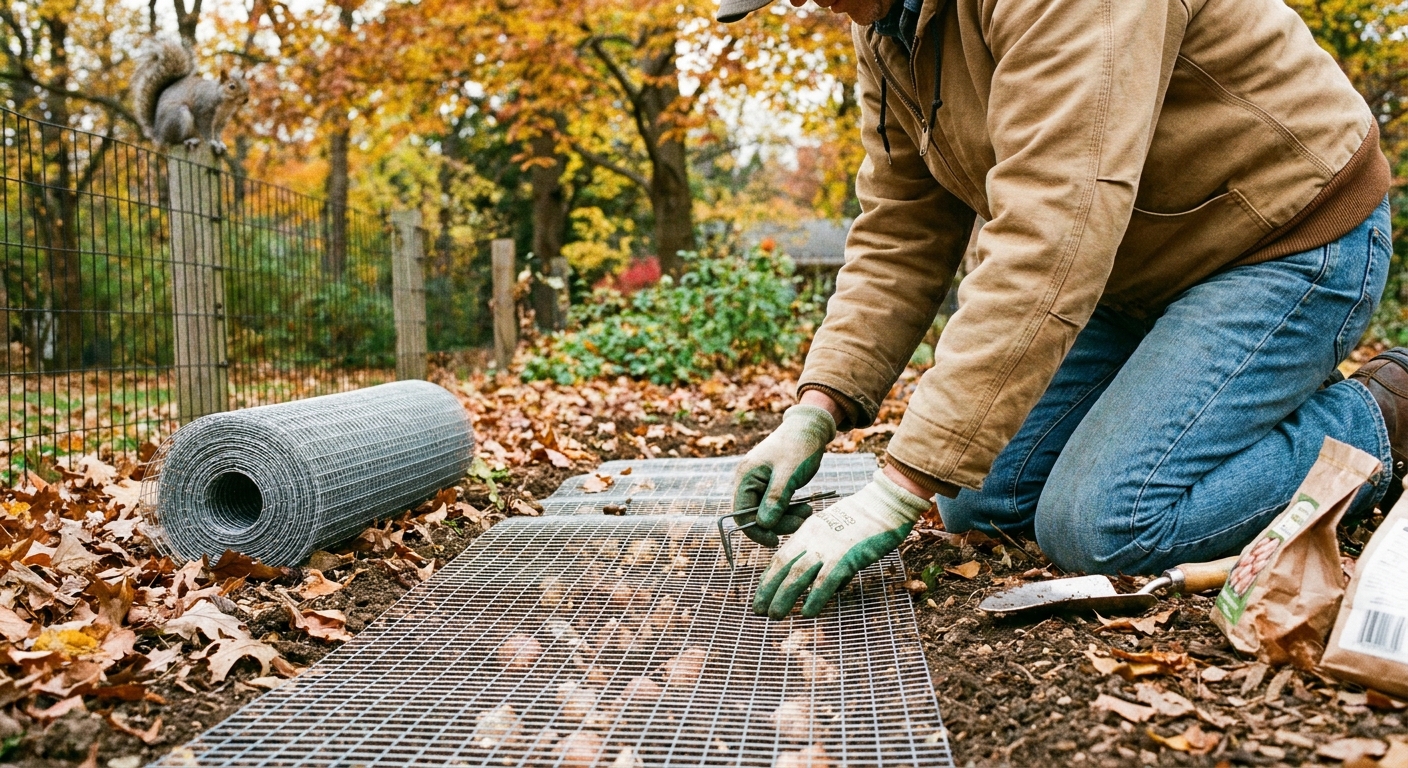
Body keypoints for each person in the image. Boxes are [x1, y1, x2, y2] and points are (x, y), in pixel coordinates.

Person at [719, 0, 1402, 620]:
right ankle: (1223, 397)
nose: (812, 4)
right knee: (977, 496)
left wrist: (895, 490)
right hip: (1129, 266)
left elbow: (1052, 232)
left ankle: (1381, 420)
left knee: (1106, 525)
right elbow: (903, 227)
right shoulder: (890, 29)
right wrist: (817, 407)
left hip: (1282, 239)